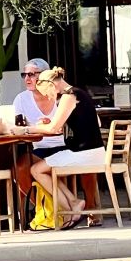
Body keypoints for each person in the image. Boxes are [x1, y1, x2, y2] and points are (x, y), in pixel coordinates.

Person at [28, 67, 105, 229]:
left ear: (51, 86)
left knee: (36, 170)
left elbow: (53, 130)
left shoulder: (68, 97)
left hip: (83, 153)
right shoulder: (80, 93)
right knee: (46, 169)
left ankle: (71, 208)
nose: (49, 97)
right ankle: (73, 202)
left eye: (47, 93)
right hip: (96, 151)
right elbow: (95, 123)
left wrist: (27, 129)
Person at [12, 57, 66, 194]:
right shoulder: (21, 99)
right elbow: (18, 125)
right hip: (38, 149)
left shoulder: (60, 96)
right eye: (24, 75)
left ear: (45, 75)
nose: (27, 79)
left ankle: (88, 207)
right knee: (20, 167)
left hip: (64, 147)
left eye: (31, 74)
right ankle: (42, 210)